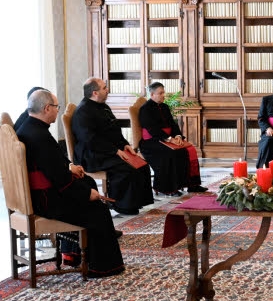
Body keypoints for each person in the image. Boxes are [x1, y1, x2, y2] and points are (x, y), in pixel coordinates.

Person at [16, 89, 124, 278]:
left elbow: (51, 166)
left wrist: (69, 168)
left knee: (87, 184)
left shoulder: (27, 126)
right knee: (98, 210)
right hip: (46, 201)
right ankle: (102, 267)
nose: (57, 111)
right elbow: (59, 179)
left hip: (38, 195)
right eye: (56, 107)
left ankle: (73, 255)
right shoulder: (39, 136)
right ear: (47, 108)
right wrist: (87, 194)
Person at [72, 77, 153, 215]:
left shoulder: (103, 106)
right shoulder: (83, 111)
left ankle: (137, 201)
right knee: (126, 169)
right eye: (104, 88)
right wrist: (115, 151)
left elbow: (114, 130)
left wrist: (125, 145)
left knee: (142, 164)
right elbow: (90, 140)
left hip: (108, 150)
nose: (107, 90)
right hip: (92, 154)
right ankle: (120, 204)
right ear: (95, 93)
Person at [138, 82, 207, 196]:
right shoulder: (145, 109)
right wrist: (170, 139)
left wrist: (178, 136)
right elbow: (152, 129)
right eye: (160, 93)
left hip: (167, 139)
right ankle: (169, 188)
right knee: (171, 153)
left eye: (163, 92)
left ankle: (192, 185)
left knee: (190, 150)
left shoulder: (164, 107)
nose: (163, 95)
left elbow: (173, 124)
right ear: (152, 94)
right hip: (151, 142)